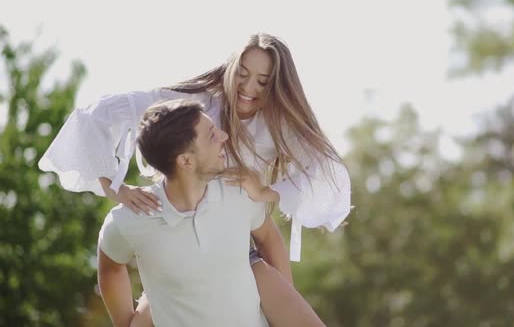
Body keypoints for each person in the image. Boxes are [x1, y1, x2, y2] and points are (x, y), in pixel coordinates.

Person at [39, 33, 350, 324]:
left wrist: (262, 190)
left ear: (276, 86)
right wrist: (114, 187)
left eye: (262, 81)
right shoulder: (193, 106)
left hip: (237, 248)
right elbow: (96, 115)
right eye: (242, 73)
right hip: (173, 252)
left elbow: (326, 173)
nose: (248, 87)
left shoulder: (279, 125)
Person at [99, 99, 324, 326]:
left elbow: (268, 237)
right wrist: (125, 322)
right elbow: (110, 267)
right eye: (211, 135)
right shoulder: (131, 218)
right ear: (186, 161)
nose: (224, 137)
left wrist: (283, 309)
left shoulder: (238, 191)